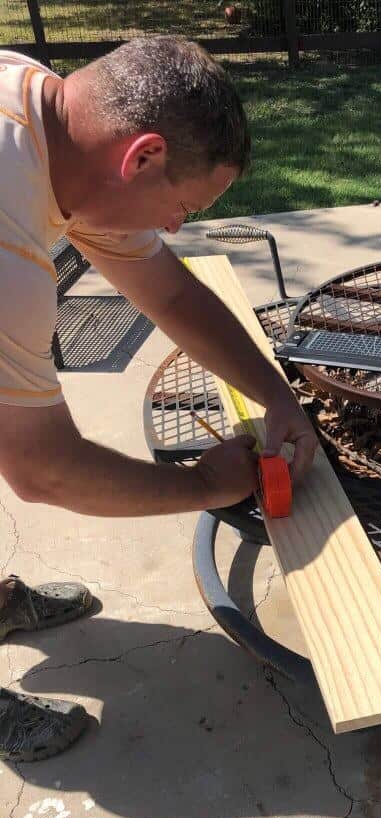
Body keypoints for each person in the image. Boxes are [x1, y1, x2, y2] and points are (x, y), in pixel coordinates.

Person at [0, 36, 317, 761]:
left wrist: (276, 396)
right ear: (140, 156)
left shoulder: (49, 120)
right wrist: (202, 485)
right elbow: (41, 469)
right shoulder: (7, 244)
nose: (178, 226)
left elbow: (171, 293)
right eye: (183, 205)